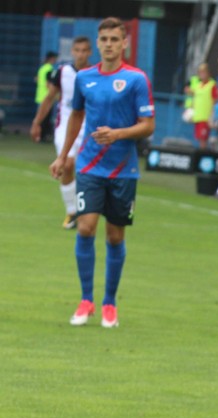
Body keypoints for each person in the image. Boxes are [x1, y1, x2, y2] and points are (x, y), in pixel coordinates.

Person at [49, 16, 155, 329]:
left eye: (114, 39)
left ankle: (109, 302)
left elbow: (148, 125)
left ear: (125, 44)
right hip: (89, 165)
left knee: (114, 235)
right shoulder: (85, 78)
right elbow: (77, 115)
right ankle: (86, 300)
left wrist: (118, 134)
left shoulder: (137, 79)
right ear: (98, 43)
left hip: (123, 170)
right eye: (104, 39)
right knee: (85, 228)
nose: (108, 44)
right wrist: (64, 155)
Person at [30, 36, 92, 229]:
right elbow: (49, 98)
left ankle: (85, 209)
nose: (80, 54)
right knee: (67, 164)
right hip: (64, 125)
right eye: (77, 50)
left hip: (89, 126)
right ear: (72, 51)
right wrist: (37, 122)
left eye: (84, 50)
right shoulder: (62, 71)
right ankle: (72, 212)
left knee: (86, 171)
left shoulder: (95, 73)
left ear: (90, 52)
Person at [185, 63, 218, 149]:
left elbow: (215, 100)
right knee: (199, 138)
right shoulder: (198, 85)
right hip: (198, 116)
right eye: (200, 73)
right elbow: (193, 93)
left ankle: (203, 157)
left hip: (206, 117)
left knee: (203, 139)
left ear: (208, 73)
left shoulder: (212, 84)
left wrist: (212, 116)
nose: (202, 75)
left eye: (204, 72)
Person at [34, 51, 58, 143]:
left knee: (41, 117)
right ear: (52, 58)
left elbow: (36, 79)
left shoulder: (42, 68)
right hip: (47, 97)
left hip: (40, 95)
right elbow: (49, 84)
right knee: (45, 118)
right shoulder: (49, 68)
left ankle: (40, 136)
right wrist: (55, 94)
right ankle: (42, 137)